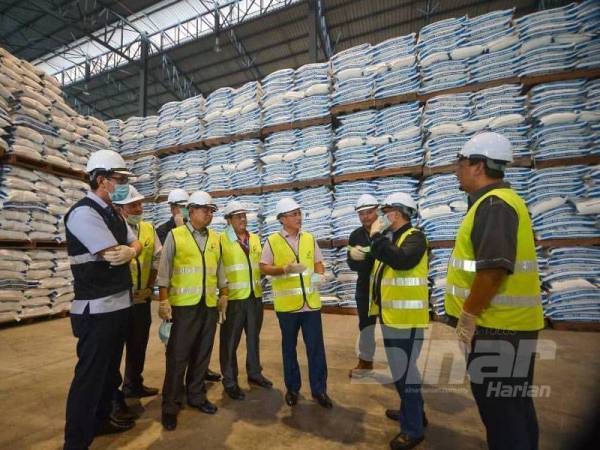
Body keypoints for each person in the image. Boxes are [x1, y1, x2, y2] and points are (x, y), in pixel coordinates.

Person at [445, 132, 544, 450]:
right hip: (510, 328)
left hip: (498, 329)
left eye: (460, 163)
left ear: (477, 165)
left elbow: (492, 271)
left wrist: (468, 316)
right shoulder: (501, 202)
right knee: (515, 409)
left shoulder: (493, 205)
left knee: (502, 417)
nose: (456, 170)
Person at [63, 150, 142, 450]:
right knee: (90, 378)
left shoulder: (114, 213)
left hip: (118, 306)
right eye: (119, 180)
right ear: (100, 180)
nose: (122, 186)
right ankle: (76, 442)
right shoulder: (84, 213)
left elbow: (134, 242)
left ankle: (100, 421)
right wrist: (130, 249)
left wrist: (132, 250)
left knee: (109, 375)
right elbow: (112, 253)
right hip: (96, 310)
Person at [156, 191, 228, 431]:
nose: (210, 214)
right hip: (183, 307)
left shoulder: (216, 239)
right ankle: (170, 405)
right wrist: (164, 302)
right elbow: (164, 272)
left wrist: (224, 294)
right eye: (206, 209)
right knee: (178, 357)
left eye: (211, 210)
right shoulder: (175, 236)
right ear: (191, 211)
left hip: (208, 305)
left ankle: (196, 396)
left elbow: (220, 270)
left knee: (202, 353)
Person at [368, 192, 429, 450]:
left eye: (386, 210)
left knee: (405, 374)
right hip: (393, 317)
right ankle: (414, 413)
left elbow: (402, 261)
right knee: (401, 373)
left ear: (398, 212)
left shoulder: (415, 237)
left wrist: (375, 237)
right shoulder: (396, 238)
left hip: (406, 319)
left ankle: (413, 430)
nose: (382, 216)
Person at [259, 197, 332, 409]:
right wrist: (283, 269)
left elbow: (318, 263)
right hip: (287, 306)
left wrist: (319, 275)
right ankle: (292, 388)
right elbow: (264, 267)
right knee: (289, 348)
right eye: (293, 214)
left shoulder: (309, 238)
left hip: (310, 305)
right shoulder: (272, 241)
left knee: (316, 348)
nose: (298, 217)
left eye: (299, 213)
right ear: (282, 219)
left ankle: (319, 390)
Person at [219, 200, 273, 400]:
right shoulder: (221, 240)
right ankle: (230, 381)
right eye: (237, 216)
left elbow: (260, 265)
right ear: (229, 219)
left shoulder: (255, 239)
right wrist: (221, 294)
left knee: (253, 337)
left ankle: (255, 373)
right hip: (233, 299)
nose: (242, 219)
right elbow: (217, 269)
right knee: (230, 341)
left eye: (244, 215)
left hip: (254, 297)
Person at [113, 185, 161, 399]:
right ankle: (113, 397)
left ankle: (133, 384)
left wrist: (148, 288)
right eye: (133, 205)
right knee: (114, 350)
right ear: (120, 208)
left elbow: (156, 261)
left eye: (140, 204)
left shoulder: (149, 229)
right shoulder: (112, 229)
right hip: (118, 300)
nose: (139, 208)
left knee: (138, 343)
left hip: (142, 298)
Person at [347, 193, 379, 378]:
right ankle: (365, 363)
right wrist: (355, 259)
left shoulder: (387, 232)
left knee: (392, 327)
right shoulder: (356, 235)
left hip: (386, 287)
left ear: (377, 211)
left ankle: (400, 365)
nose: (365, 217)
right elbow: (350, 263)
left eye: (369, 212)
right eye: (362, 214)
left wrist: (367, 256)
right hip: (365, 286)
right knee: (366, 327)